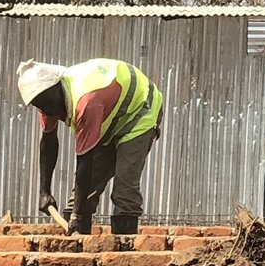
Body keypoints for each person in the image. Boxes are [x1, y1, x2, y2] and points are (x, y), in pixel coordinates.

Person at [18, 55, 163, 236]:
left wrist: (77, 216)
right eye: (39, 105)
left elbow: (84, 162)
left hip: (139, 111)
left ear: (57, 87)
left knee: (124, 189)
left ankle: (124, 252)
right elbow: (48, 144)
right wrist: (44, 192)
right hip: (109, 117)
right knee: (79, 200)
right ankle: (79, 247)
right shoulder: (47, 105)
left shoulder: (86, 102)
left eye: (47, 103)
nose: (47, 110)